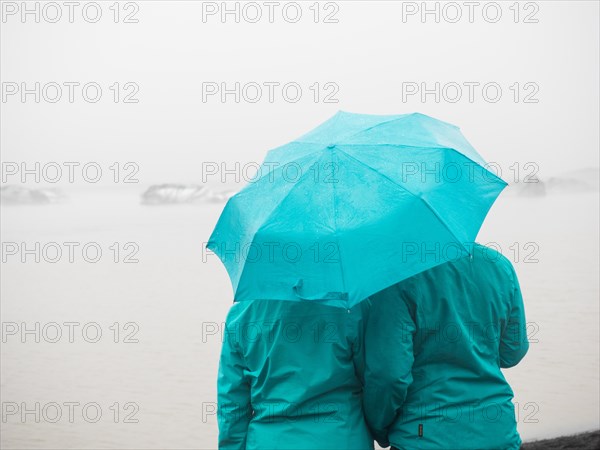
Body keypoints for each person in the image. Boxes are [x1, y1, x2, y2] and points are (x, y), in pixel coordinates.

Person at [363, 243, 529, 450]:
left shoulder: (396, 277)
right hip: (497, 429)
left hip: (425, 435)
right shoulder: (499, 265)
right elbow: (512, 352)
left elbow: (388, 374)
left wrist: (378, 428)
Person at [217, 298, 374, 450]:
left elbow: (232, 408)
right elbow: (379, 380)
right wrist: (381, 430)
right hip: (342, 438)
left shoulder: (240, 315)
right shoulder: (354, 307)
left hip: (270, 441)